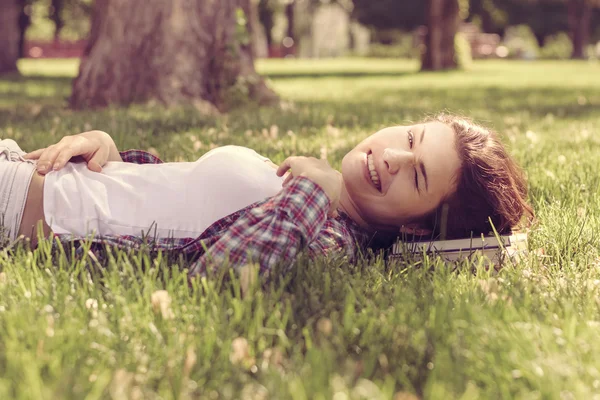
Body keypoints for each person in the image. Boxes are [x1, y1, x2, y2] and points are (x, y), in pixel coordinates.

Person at [1, 114, 532, 278]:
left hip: (15, 209)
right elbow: (181, 199)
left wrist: (316, 188)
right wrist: (114, 155)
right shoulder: (303, 201)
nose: (393, 157)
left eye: (416, 177)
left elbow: (224, 268)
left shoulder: (328, 241)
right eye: (411, 139)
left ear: (417, 227)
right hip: (24, 164)